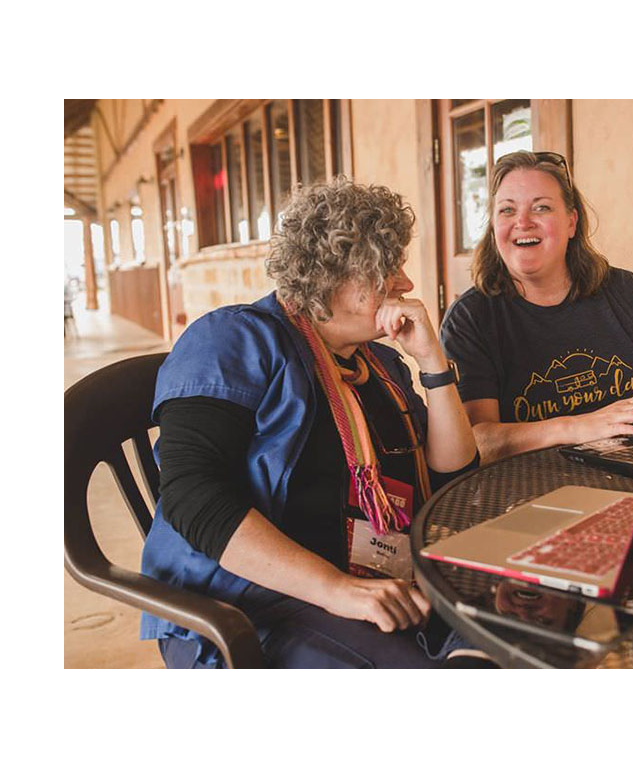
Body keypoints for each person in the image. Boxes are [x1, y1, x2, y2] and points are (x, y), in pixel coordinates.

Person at [139, 177, 488, 668]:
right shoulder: (233, 340)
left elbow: (453, 475)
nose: (406, 283)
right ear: (329, 274)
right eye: (386, 267)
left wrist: (433, 363)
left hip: (374, 579)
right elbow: (193, 497)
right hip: (251, 601)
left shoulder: (377, 365)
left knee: (518, 629)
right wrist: (336, 589)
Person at [440, 150, 633, 465]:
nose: (523, 222)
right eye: (507, 210)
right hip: (527, 491)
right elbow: (480, 441)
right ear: (493, 226)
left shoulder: (627, 291)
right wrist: (580, 427)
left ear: (571, 222)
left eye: (541, 207)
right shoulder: (470, 319)